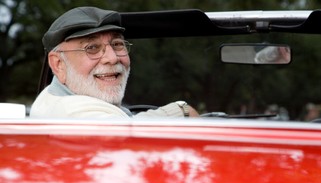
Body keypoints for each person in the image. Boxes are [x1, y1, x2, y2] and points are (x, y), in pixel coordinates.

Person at [30, 6, 199, 119]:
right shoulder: (75, 114)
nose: (112, 58)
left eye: (117, 44)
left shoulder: (51, 98)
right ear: (58, 64)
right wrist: (182, 110)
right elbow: (128, 135)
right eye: (92, 47)